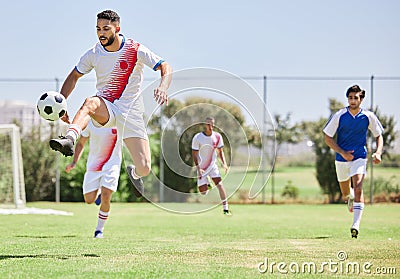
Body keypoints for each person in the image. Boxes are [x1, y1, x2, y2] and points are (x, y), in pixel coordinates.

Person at [49, 10, 172, 197]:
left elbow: (165, 66)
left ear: (117, 28)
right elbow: (74, 76)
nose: (101, 33)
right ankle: (69, 139)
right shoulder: (94, 53)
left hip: (131, 113)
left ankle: (135, 173)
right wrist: (62, 102)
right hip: (106, 106)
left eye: (106, 28)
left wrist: (163, 86)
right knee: (89, 103)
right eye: (98, 29)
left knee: (145, 167)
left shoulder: (135, 49)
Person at [323, 85, 384, 239]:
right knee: (346, 193)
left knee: (358, 188)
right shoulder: (340, 115)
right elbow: (327, 138)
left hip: (360, 157)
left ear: (361, 99)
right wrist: (343, 152)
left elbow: (378, 135)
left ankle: (355, 225)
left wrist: (378, 152)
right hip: (341, 160)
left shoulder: (368, 116)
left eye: (355, 97)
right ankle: (349, 198)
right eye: (350, 97)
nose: (352, 100)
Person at [65, 120, 122, 238]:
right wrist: (74, 162)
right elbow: (81, 143)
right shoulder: (90, 122)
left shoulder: (119, 120)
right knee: (89, 200)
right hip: (94, 166)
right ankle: (99, 193)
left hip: (112, 165)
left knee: (107, 196)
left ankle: (99, 230)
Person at [192, 117, 232, 215]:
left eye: (212, 124)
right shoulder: (198, 137)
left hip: (212, 166)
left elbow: (220, 151)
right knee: (203, 192)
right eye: (209, 124)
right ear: (205, 125)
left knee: (220, 184)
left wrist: (225, 164)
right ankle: (207, 184)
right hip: (202, 167)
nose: (211, 126)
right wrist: (198, 168)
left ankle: (225, 209)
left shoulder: (217, 137)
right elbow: (194, 154)